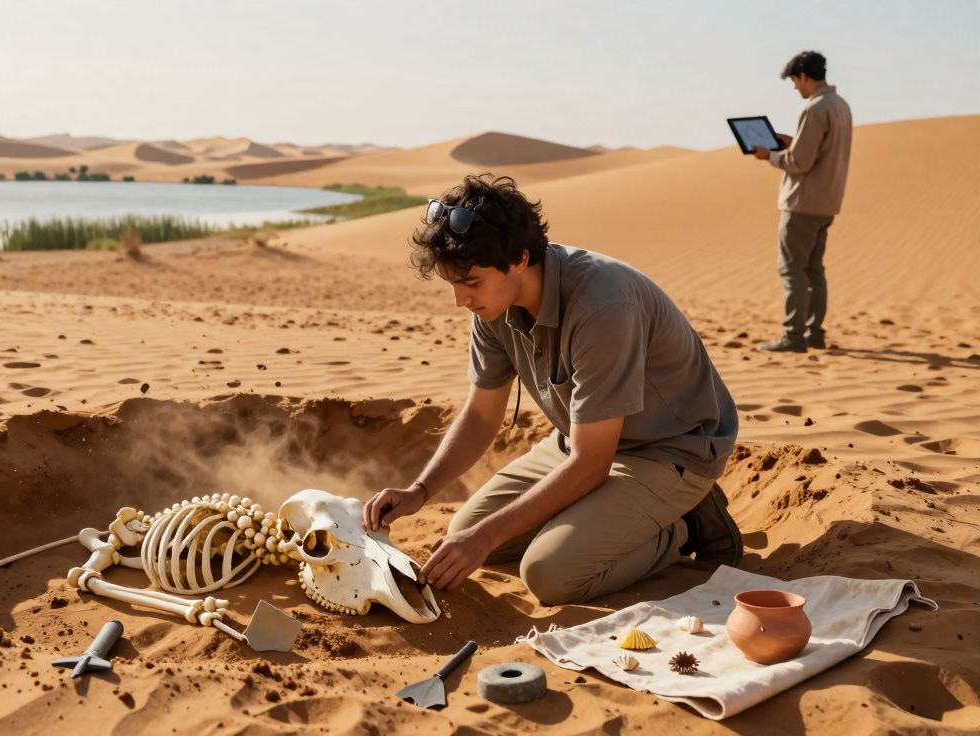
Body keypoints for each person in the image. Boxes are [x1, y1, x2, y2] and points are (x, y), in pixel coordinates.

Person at [362, 174, 742, 605]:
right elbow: (482, 415)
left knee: (550, 573)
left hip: (668, 450)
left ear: (520, 259)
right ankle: (609, 519)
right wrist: (420, 491)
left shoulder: (603, 305)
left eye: (470, 283)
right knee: (469, 532)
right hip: (583, 442)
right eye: (453, 284)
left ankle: (687, 524)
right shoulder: (493, 306)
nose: (459, 300)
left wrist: (482, 537)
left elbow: (591, 464)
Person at [753, 50, 853, 353]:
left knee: (792, 269)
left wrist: (768, 155)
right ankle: (815, 334)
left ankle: (793, 336)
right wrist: (791, 143)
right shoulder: (841, 106)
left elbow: (800, 162)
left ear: (804, 76)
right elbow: (816, 152)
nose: (796, 87)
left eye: (795, 81)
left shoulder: (815, 108)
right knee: (813, 270)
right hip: (827, 201)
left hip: (802, 203)